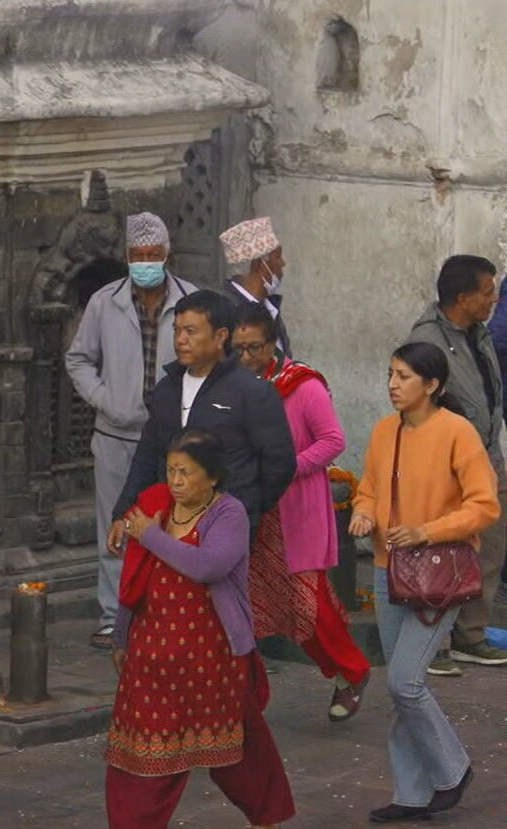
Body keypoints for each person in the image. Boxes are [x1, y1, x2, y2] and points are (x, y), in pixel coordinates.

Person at [98, 429, 296, 829]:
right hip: (151, 660)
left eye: (186, 472)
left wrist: (150, 535)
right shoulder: (155, 508)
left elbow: (209, 565)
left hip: (214, 658)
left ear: (212, 476)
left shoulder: (229, 514)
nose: (176, 481)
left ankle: (265, 821)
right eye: (171, 471)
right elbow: (133, 580)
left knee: (235, 750)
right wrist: (121, 638)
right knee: (137, 756)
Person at [350, 342, 500, 822]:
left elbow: (484, 505)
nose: (393, 385)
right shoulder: (382, 432)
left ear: (432, 385)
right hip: (387, 568)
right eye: (390, 374)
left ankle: (452, 770)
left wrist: (424, 531)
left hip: (444, 572)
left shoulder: (457, 432)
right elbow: (368, 489)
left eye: (404, 376)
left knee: (405, 681)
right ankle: (413, 794)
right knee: (402, 686)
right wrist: (361, 513)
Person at [65, 212, 200, 649]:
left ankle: (163, 610)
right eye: (138, 255)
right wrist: (107, 400)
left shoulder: (190, 301)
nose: (146, 262)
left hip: (173, 436)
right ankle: (112, 615)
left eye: (153, 255)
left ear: (167, 256)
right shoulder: (106, 302)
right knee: (114, 523)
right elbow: (79, 358)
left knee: (172, 522)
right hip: (115, 432)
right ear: (127, 258)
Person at [230, 308, 371, 717]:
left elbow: (332, 441)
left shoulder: (302, 386)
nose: (246, 357)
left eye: (254, 347)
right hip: (256, 511)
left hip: (297, 508)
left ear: (273, 342)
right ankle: (250, 695)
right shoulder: (235, 387)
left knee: (310, 605)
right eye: (238, 349)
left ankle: (352, 669)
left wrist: (289, 467)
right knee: (264, 606)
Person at [109, 289, 296, 545]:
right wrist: (123, 512)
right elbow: (148, 453)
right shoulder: (167, 389)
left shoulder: (252, 391)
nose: (180, 340)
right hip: (168, 523)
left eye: (191, 331)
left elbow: (280, 463)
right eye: (177, 330)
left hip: (224, 528)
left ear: (220, 336)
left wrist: (245, 507)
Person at [402, 255, 507, 673]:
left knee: (490, 549)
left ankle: (471, 635)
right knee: (443, 552)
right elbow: (415, 405)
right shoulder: (426, 340)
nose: (494, 299)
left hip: (488, 456)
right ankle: (435, 642)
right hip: (446, 463)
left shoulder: (478, 334)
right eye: (487, 292)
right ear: (462, 298)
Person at [220, 216, 292, 358]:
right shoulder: (226, 309)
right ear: (259, 264)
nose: (283, 263)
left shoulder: (270, 307)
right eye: (277, 257)